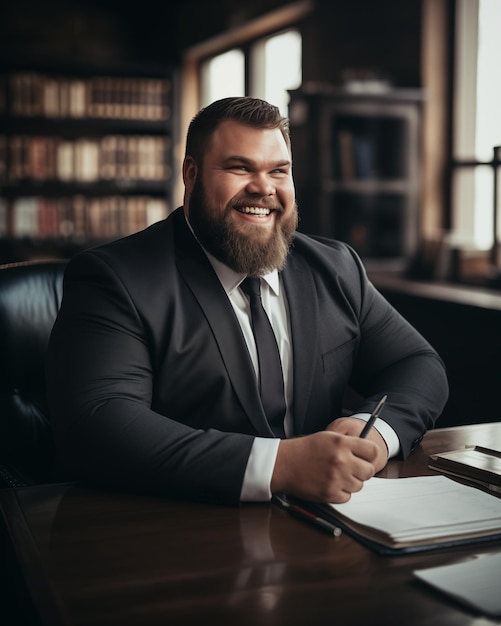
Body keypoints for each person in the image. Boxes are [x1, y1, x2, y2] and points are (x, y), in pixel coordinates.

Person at [46, 96, 449, 504]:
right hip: (178, 530)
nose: (263, 188)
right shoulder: (115, 277)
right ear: (191, 174)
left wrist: (376, 433)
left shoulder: (336, 267)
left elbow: (416, 364)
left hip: (330, 521)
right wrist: (280, 466)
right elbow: (96, 425)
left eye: (279, 170)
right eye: (240, 167)